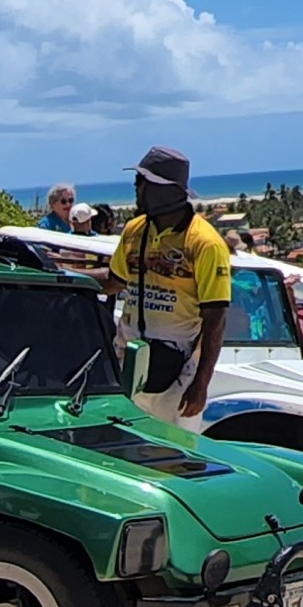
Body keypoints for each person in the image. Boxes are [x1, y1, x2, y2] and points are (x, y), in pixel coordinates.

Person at [104, 144, 231, 430]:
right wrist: (61, 273)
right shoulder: (135, 230)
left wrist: (201, 385)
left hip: (178, 375)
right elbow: (114, 281)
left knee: (172, 460)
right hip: (129, 364)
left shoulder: (204, 243)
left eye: (142, 183)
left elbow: (216, 320)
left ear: (166, 190)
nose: (136, 190)